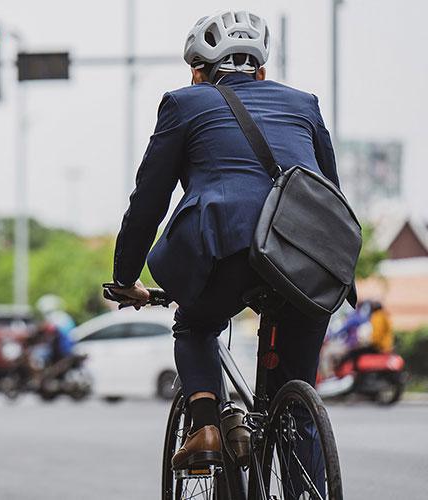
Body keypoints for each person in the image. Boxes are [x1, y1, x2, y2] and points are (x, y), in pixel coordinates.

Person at [108, 10, 353, 471]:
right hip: (310, 257)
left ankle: (205, 425)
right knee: (295, 402)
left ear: (198, 71)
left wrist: (125, 278)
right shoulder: (304, 104)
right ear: (261, 71)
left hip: (227, 247)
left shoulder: (184, 104)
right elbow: (329, 194)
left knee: (195, 324)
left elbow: (148, 203)